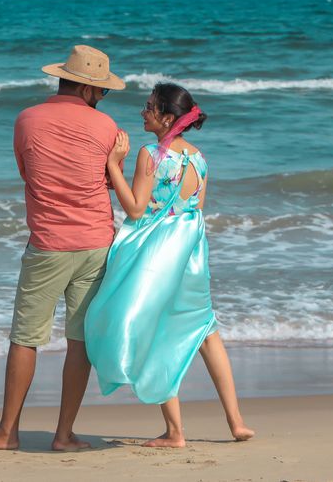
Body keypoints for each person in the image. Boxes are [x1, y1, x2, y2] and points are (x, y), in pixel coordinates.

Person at [0, 45, 127, 452]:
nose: (102, 99)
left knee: (25, 337)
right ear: (90, 89)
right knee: (80, 341)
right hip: (96, 240)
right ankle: (63, 435)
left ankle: (7, 431)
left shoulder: (27, 119)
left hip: (48, 243)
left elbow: (27, 172)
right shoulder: (106, 128)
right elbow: (111, 182)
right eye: (102, 92)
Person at [83, 82, 255, 447]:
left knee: (153, 331)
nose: (142, 112)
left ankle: (175, 432)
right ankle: (236, 422)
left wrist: (113, 164)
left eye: (149, 107)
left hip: (156, 254)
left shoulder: (151, 154)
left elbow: (134, 208)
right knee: (206, 330)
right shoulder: (199, 157)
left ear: (165, 118)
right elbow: (196, 210)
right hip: (191, 253)